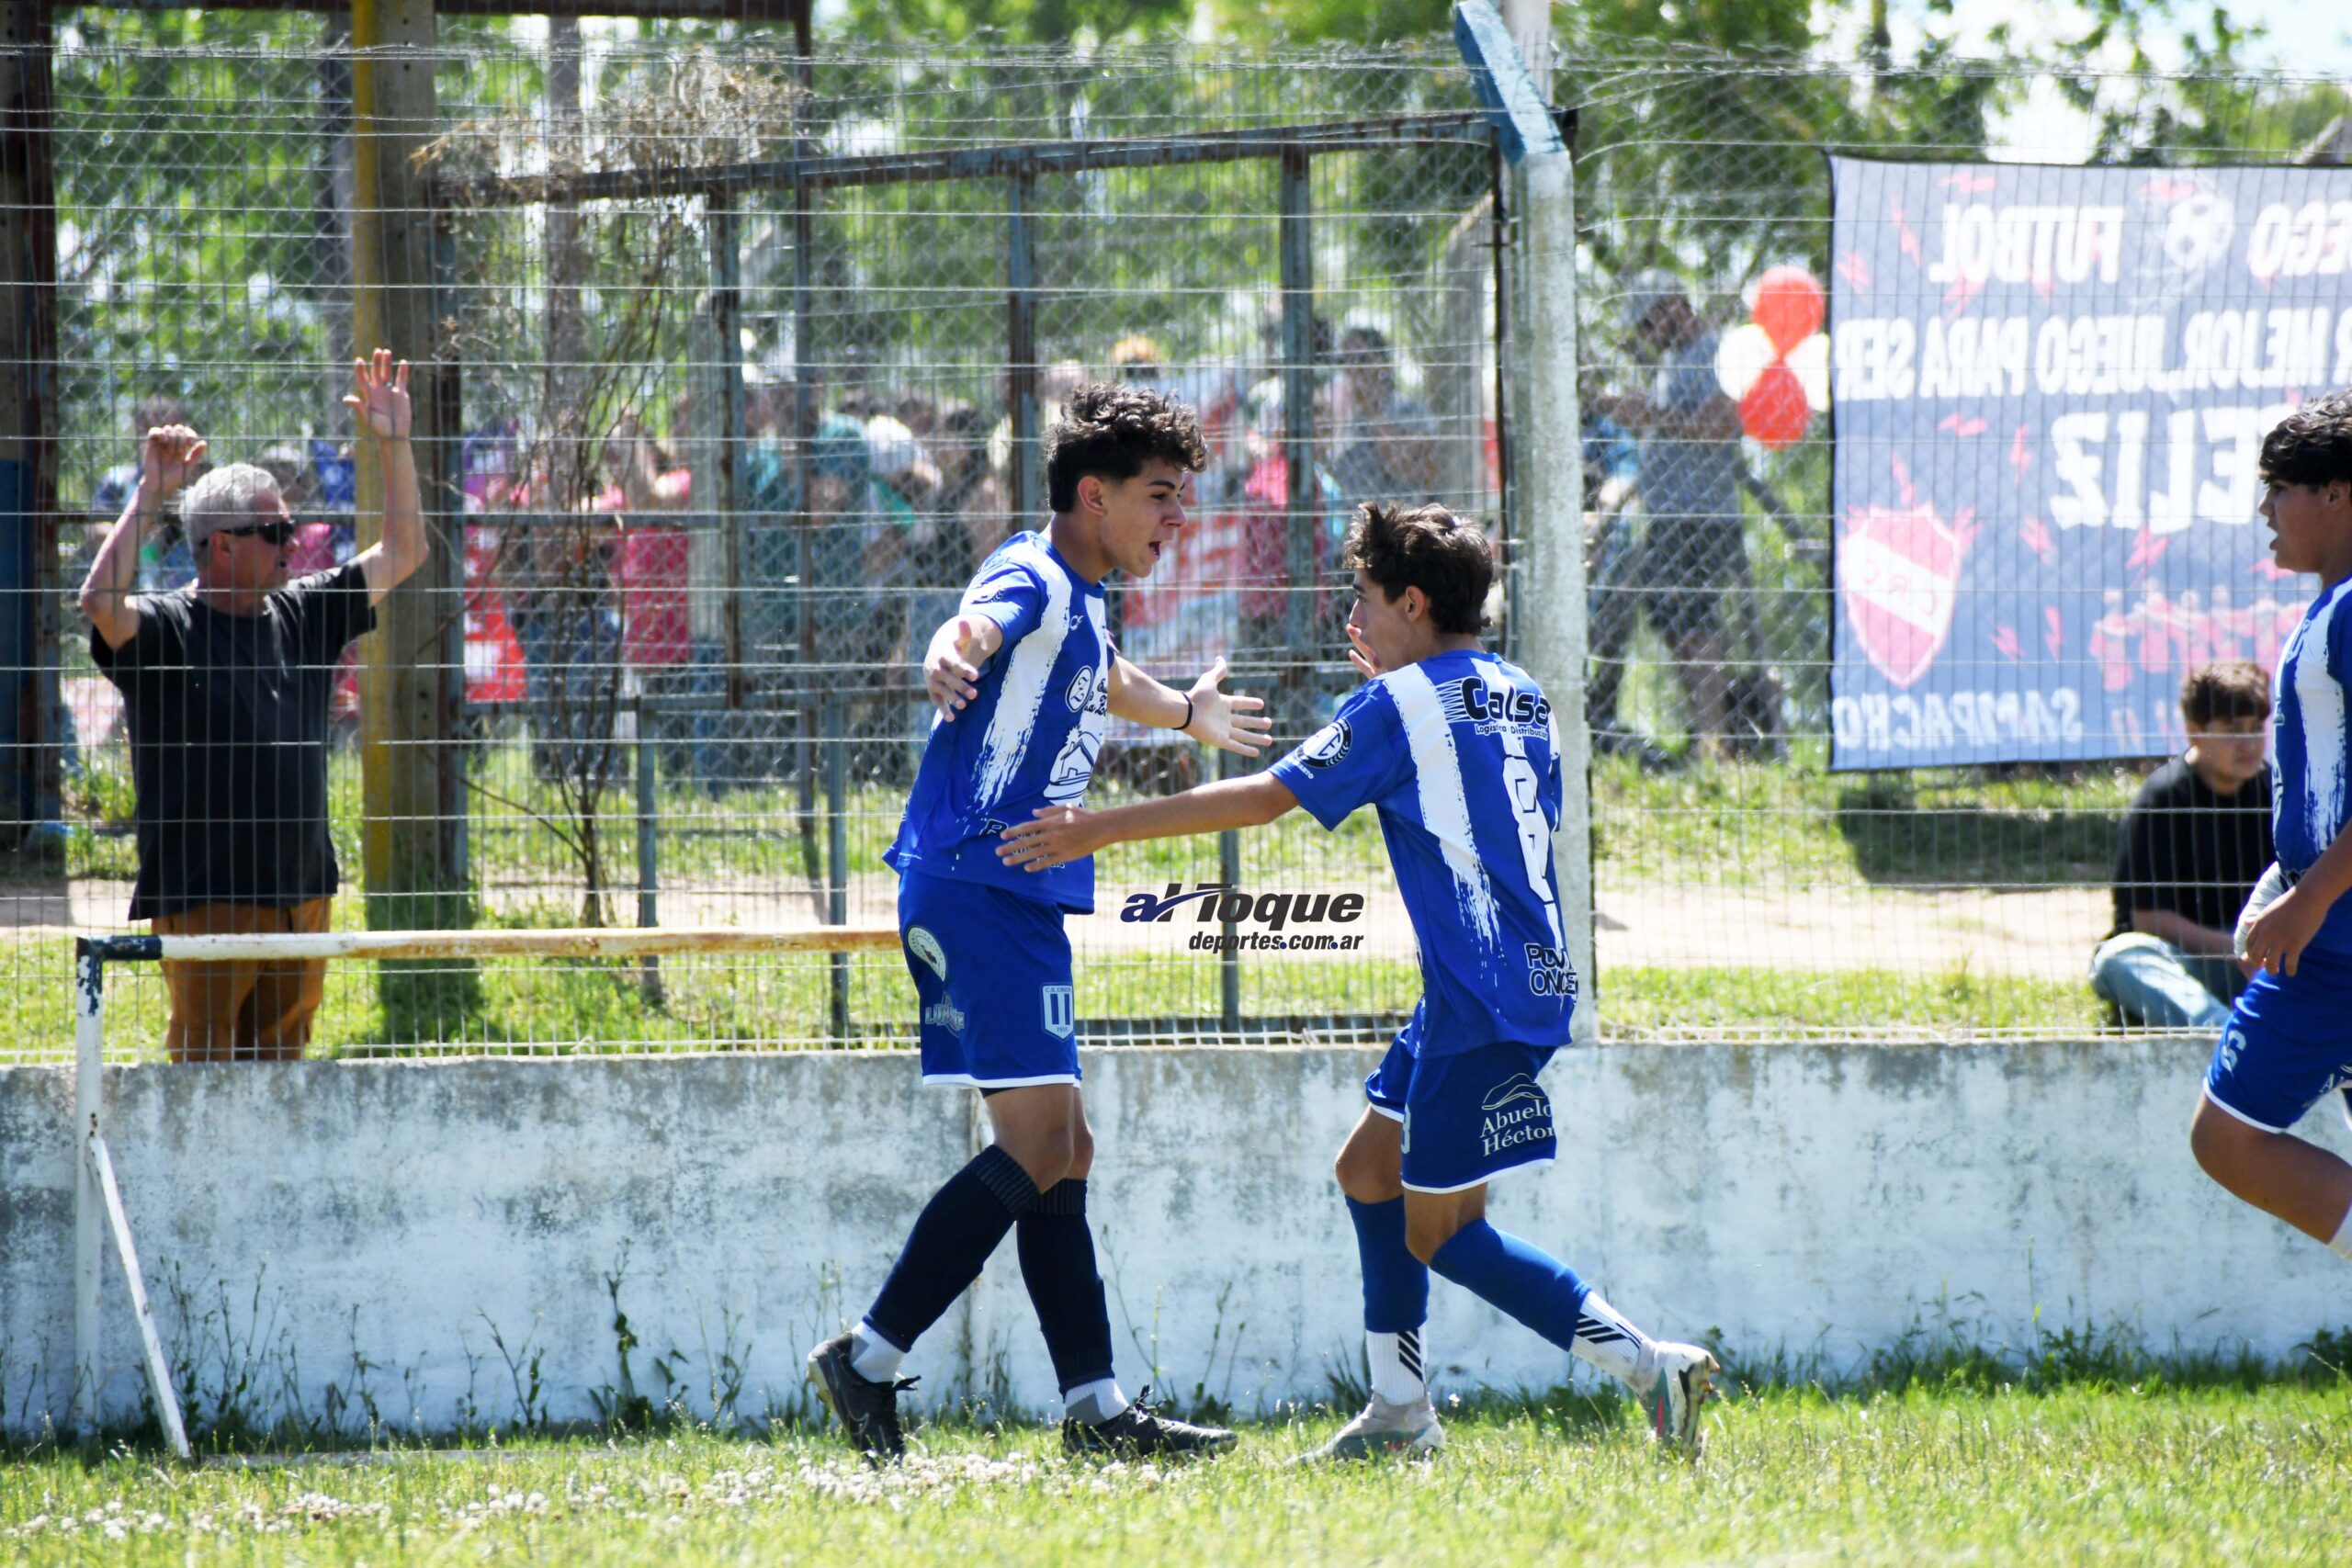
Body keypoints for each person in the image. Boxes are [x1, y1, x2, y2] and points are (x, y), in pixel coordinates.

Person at [997, 502, 1721, 1461]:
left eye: (1366, 599)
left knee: (1444, 1234)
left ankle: (1648, 1365)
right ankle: (1398, 1409)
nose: (1353, 620)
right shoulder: (1520, 691)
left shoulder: (1399, 705)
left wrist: (1096, 827)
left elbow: (1265, 799)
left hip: (1483, 999)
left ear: (1414, 603)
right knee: (1367, 1170)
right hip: (1502, 983)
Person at [803, 382, 1273, 1462]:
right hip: (979, 884)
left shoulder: (1082, 596)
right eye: (1161, 495)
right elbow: (980, 620)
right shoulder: (1032, 571)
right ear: (1093, 495)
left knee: (1066, 1148)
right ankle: (868, 1359)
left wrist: (1187, 712)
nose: (1177, 518)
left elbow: (1098, 674)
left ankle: (1097, 1410)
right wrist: (947, 649)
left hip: (1008, 891)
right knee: (1039, 1144)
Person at [77, 350, 428, 1063]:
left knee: (282, 1074)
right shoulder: (168, 627)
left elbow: (403, 552)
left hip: (303, 891)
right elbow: (99, 602)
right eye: (274, 533)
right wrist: (151, 494)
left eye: (289, 528)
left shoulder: (305, 609)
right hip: (208, 896)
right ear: (222, 547)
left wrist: (394, 444)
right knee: (205, 1074)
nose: (291, 544)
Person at [2189, 390, 2352, 1265]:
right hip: (2325, 929)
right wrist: (2279, 889)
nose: (2265, 508)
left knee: (2229, 1138)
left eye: (2279, 487)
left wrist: (2310, 900)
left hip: (2338, 948)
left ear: (2336, 493)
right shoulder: (2330, 610)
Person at [1589, 270, 1747, 762]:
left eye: (1647, 323)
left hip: (1701, 515)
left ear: (1673, 305)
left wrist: (1649, 416)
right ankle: (1708, 735)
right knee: (1674, 619)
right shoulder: (1673, 363)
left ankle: (1715, 739)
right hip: (1670, 517)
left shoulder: (1716, 352)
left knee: (1693, 619)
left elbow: (1718, 427)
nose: (1645, 335)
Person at [2089, 662, 2273, 1030]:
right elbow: (2148, 920)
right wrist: (2237, 946)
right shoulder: (2162, 798)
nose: (2249, 743)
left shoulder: (2277, 792)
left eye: (2256, 728)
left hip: (2265, 961)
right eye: (2233, 731)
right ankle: (2222, 1035)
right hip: (2188, 964)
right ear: (2194, 731)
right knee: (2120, 957)